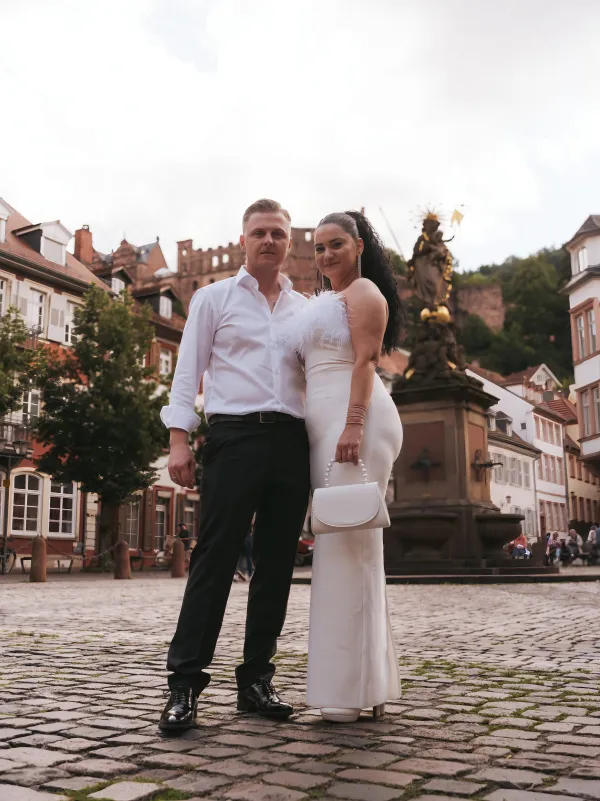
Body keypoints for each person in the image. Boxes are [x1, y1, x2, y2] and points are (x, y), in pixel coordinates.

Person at [158, 199, 310, 731]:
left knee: (276, 564)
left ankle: (256, 681)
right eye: (259, 232)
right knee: (215, 558)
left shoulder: (305, 309)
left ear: (289, 243)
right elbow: (187, 373)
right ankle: (184, 684)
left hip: (292, 441)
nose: (269, 240)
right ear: (243, 240)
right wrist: (179, 439)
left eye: (278, 234)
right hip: (233, 436)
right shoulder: (212, 298)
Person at [281, 210, 404, 723]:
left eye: (336, 244)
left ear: (358, 246)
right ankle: (367, 684)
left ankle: (347, 692)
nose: (327, 254)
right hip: (325, 420)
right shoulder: (325, 300)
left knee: (347, 546)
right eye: (319, 247)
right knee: (346, 542)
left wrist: (352, 425)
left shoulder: (365, 292)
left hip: (354, 420)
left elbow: (365, 361)